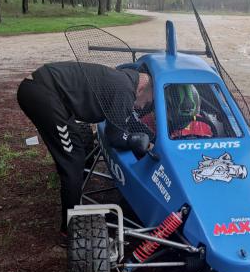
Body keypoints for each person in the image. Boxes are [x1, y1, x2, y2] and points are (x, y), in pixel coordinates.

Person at [16, 61, 153, 234]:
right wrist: (143, 142)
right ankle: (69, 228)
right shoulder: (125, 90)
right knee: (73, 160)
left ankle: (76, 189)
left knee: (75, 152)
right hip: (43, 93)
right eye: (147, 102)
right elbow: (116, 137)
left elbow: (124, 121)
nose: (142, 107)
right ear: (142, 89)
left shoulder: (125, 80)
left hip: (44, 89)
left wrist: (148, 135)